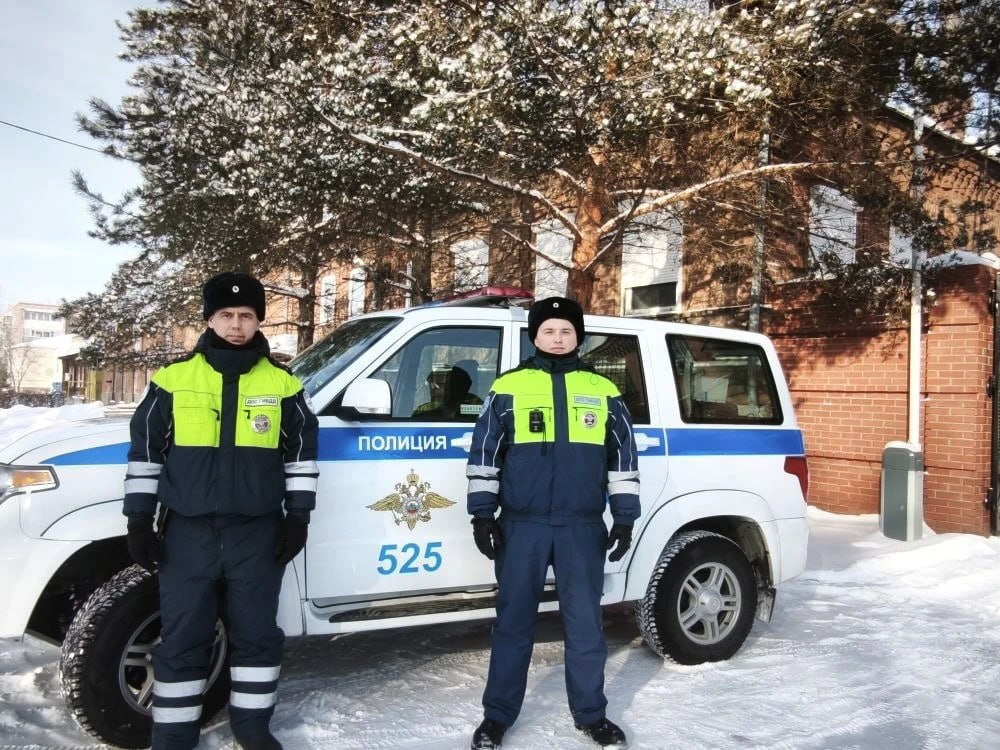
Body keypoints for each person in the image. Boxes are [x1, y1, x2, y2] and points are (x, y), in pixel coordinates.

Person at [123, 271, 319, 750]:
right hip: (187, 534)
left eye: (246, 315)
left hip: (256, 534)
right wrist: (138, 520)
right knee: (183, 636)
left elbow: (301, 459)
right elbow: (145, 456)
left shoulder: (284, 386)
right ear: (209, 319)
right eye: (226, 314)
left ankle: (252, 729)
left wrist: (298, 519)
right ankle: (173, 736)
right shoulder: (172, 381)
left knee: (257, 635)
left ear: (258, 321)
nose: (236, 324)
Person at [466, 297, 640, 749]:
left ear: (578, 336)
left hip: (581, 526)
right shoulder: (508, 387)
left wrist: (624, 518)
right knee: (513, 624)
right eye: (549, 331)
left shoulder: (602, 389)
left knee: (585, 627)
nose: (558, 339)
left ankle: (592, 715)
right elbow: (485, 454)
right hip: (522, 526)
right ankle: (497, 717)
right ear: (535, 336)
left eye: (566, 331)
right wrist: (482, 514)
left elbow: (623, 458)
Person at [413, 360, 483, 419]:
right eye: (432, 385)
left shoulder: (479, 406)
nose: (433, 388)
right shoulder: (425, 409)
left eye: (457, 383)